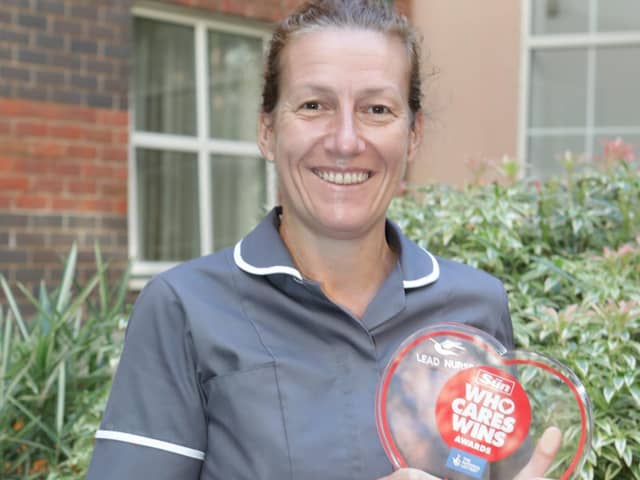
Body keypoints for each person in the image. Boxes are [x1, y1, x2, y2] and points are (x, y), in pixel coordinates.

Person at [86, 1, 561, 478]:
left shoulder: (476, 306)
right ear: (267, 130)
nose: (345, 140)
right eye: (314, 106)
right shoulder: (183, 309)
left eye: (377, 109)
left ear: (412, 135)